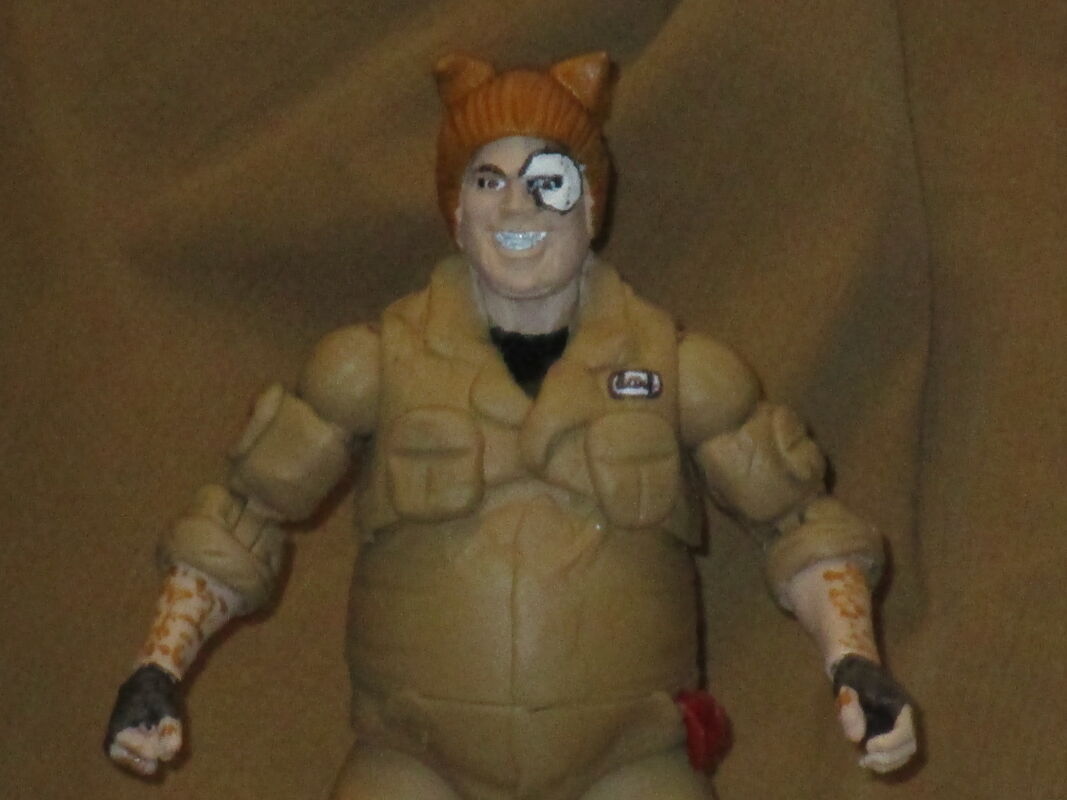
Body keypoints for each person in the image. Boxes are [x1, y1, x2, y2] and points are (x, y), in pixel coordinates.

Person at [105, 52, 917, 799]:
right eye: (487, 180)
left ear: (590, 205)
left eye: (547, 180)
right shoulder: (371, 367)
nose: (517, 204)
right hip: (416, 758)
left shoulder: (678, 370)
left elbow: (800, 526)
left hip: (628, 760)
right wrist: (157, 670)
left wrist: (855, 664)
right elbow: (242, 520)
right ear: (455, 212)